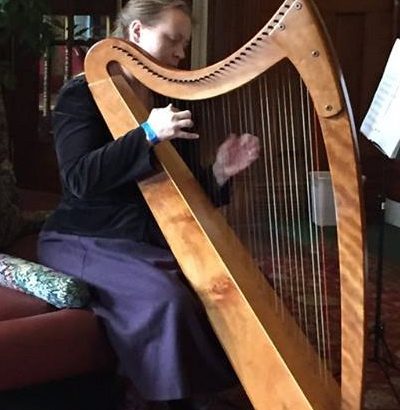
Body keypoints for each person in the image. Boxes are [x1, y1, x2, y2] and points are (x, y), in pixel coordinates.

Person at [38, 1, 260, 409]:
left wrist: (220, 172)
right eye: (172, 40)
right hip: (86, 235)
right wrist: (146, 134)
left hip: (145, 234)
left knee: (221, 288)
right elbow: (79, 180)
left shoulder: (166, 98)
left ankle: (198, 391)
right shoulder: (81, 93)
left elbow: (182, 192)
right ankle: (165, 400)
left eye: (184, 44)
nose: (179, 53)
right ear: (136, 33)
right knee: (167, 299)